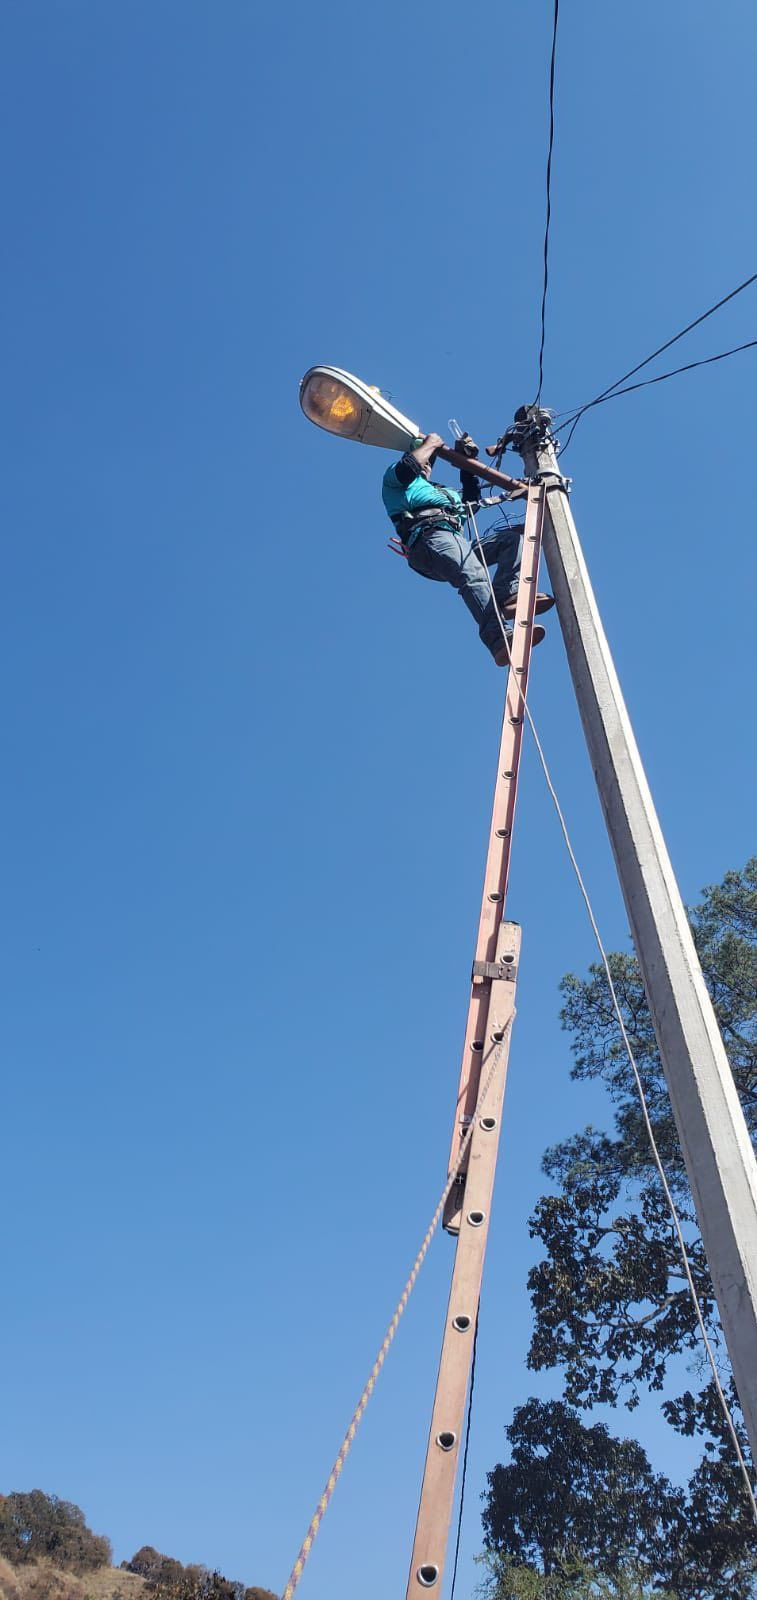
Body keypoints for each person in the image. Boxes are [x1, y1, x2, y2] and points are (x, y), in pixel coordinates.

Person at [382, 432, 554, 665]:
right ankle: (498, 639)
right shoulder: (397, 482)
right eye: (425, 460)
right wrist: (431, 444)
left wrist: (465, 463)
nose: (426, 466)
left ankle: (507, 595)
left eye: (430, 463)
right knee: (472, 573)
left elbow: (470, 503)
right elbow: (407, 468)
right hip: (428, 539)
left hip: (452, 540)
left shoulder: (440, 492)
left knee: (511, 541)